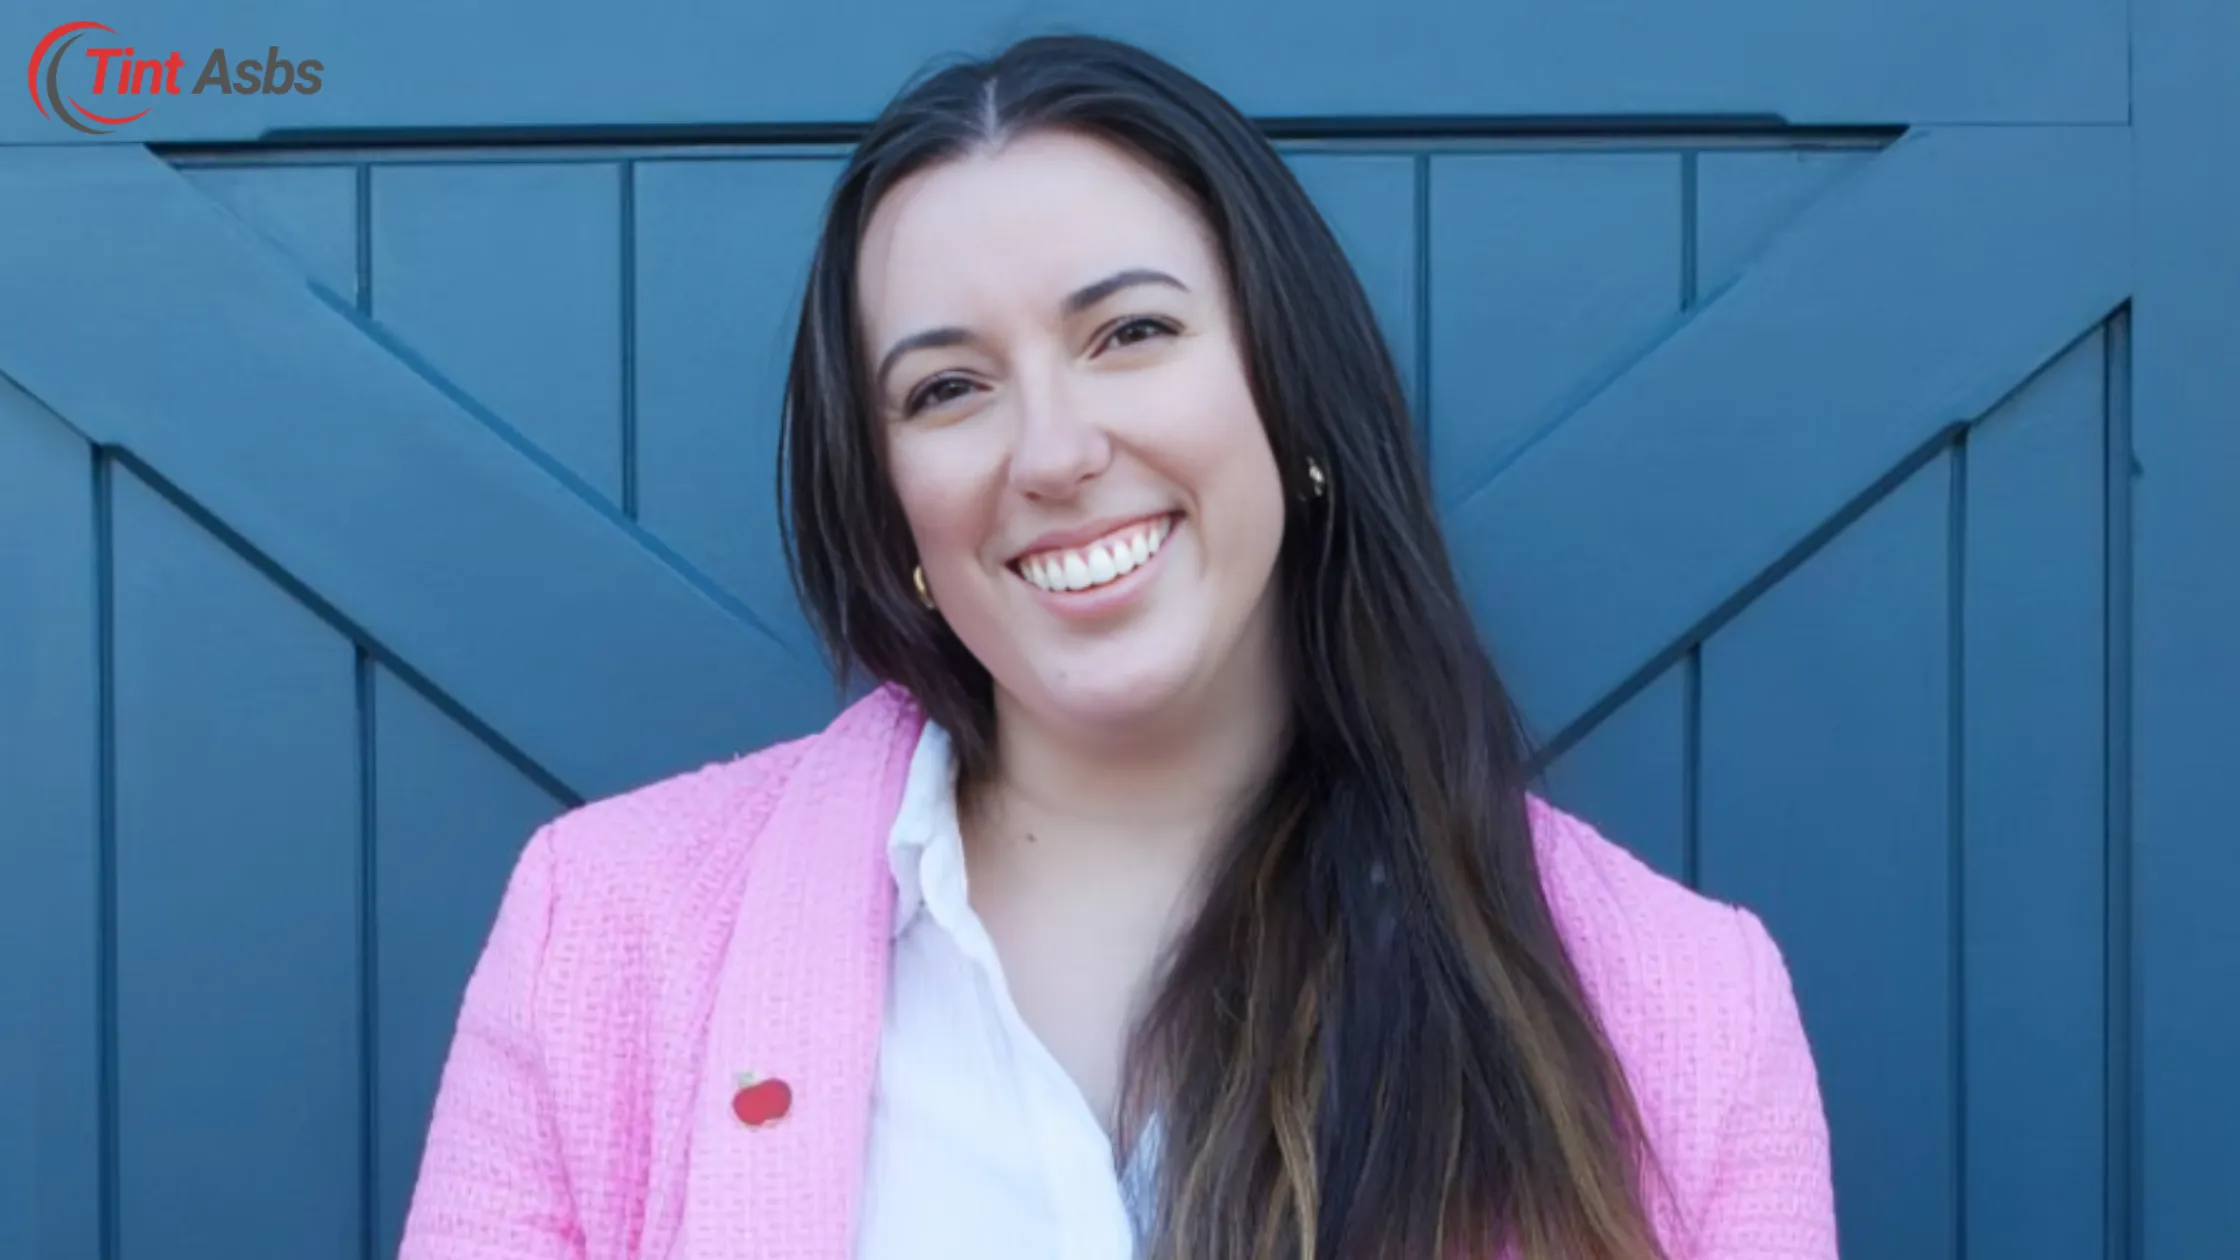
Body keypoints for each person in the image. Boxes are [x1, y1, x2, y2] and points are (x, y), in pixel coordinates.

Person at [395, 32, 1838, 1260]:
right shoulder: (608, 936)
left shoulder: (1684, 1007)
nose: (1056, 450)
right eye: (949, 386)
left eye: (1131, 332)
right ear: (888, 494)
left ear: (1294, 394)